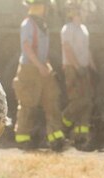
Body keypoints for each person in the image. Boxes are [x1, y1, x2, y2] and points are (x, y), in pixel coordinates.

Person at [12, 0, 66, 152]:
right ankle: (23, 140)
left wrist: (45, 65)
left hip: (41, 67)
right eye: (45, 6)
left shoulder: (42, 24)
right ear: (40, 7)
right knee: (28, 104)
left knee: (52, 100)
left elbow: (41, 49)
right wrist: (40, 66)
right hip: (29, 69)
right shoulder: (28, 24)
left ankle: (56, 139)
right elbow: (27, 47)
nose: (47, 9)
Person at [59, 0, 95, 150]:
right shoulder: (67, 29)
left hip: (83, 68)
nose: (86, 12)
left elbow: (87, 50)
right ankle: (61, 124)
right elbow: (67, 49)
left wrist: (93, 67)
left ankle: (81, 137)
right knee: (77, 101)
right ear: (76, 12)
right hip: (72, 69)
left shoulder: (83, 29)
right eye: (83, 10)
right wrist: (76, 66)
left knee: (86, 102)